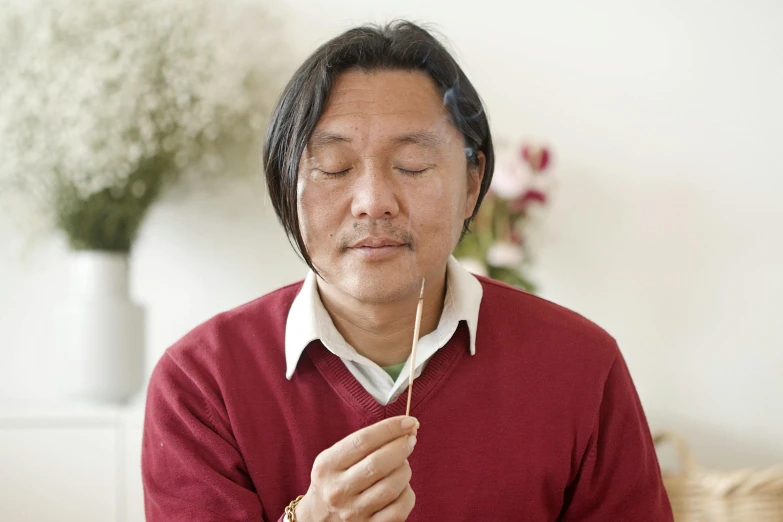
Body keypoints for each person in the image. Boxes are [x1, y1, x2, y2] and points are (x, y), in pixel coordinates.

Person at [141, 20, 673, 522]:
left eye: (413, 165)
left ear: (471, 183)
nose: (373, 202)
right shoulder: (203, 384)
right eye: (333, 168)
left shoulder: (580, 367)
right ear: (286, 187)